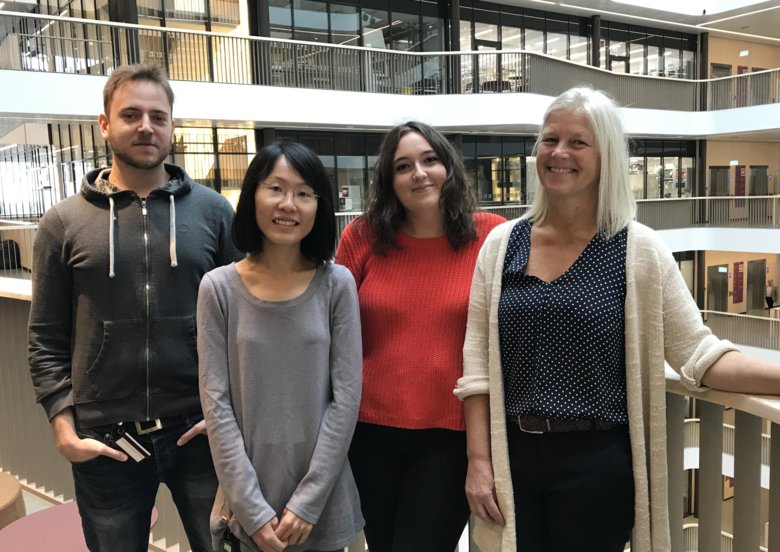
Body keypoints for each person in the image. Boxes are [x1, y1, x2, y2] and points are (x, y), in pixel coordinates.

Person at [455, 86, 780, 552]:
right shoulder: (503, 245)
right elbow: (477, 367)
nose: (559, 153)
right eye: (549, 140)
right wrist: (478, 462)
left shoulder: (638, 250)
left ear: (605, 155)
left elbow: (699, 355)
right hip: (512, 459)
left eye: (578, 142)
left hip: (595, 464)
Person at [27, 64, 241, 552]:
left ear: (171, 127)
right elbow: (45, 337)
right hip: (105, 442)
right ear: (105, 124)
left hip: (201, 432)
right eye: (131, 114)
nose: (146, 126)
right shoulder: (63, 223)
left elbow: (242, 324)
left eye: (158, 116)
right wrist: (63, 427)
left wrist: (230, 414)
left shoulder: (213, 213)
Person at [335, 121, 505, 552]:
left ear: (449, 167)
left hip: (450, 435)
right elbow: (325, 326)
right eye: (403, 166)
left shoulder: (490, 236)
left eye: (430, 160)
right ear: (389, 181)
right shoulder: (363, 236)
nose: (419, 173)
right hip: (369, 432)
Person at [197, 141, 364, 552]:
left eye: (304, 193)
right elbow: (216, 404)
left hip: (323, 502)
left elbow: (346, 399)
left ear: (318, 206)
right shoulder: (218, 288)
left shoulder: (336, 284)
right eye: (275, 188)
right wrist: (251, 510)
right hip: (247, 503)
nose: (288, 204)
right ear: (253, 194)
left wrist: (307, 504)